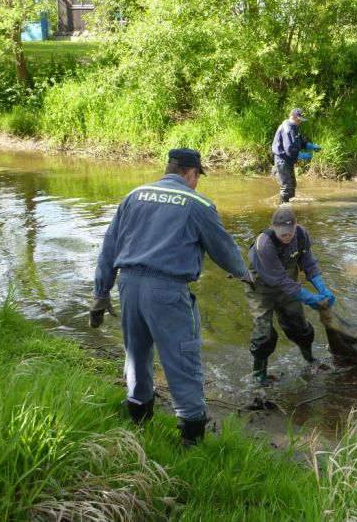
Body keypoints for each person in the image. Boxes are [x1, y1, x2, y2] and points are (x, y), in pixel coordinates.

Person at [89, 148, 253, 446]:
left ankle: (138, 419)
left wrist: (101, 293)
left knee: (136, 354)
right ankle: (191, 435)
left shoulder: (134, 195)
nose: (197, 182)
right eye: (197, 177)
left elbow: (109, 247)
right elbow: (224, 248)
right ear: (191, 173)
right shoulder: (198, 203)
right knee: (182, 358)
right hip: (166, 290)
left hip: (128, 285)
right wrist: (245, 273)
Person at [245, 207, 336, 386]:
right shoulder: (264, 243)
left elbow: (308, 262)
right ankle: (258, 376)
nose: (286, 237)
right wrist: (308, 297)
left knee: (300, 328)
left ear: (296, 225)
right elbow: (279, 279)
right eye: (282, 233)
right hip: (261, 290)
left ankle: (310, 359)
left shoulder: (301, 235)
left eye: (289, 232)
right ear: (272, 226)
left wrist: (321, 287)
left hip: (289, 287)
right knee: (263, 335)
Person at [271, 108, 322, 204]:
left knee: (292, 185)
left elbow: (301, 141)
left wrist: (311, 146)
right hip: (282, 160)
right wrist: (301, 155)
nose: (300, 122)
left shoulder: (295, 127)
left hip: (289, 160)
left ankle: (290, 206)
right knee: (286, 187)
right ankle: (283, 209)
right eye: (299, 120)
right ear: (293, 117)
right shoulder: (287, 129)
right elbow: (289, 149)